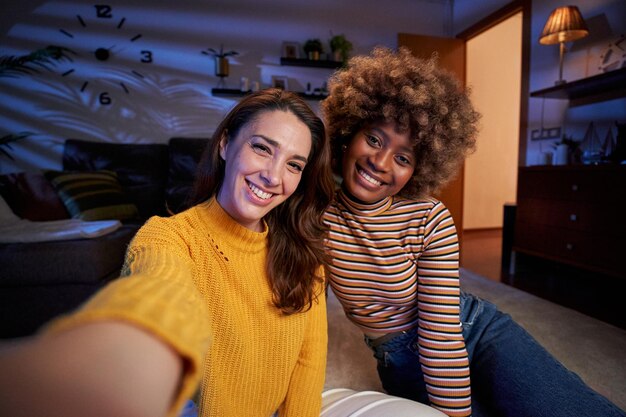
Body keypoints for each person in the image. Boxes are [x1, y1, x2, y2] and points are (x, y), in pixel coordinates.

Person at [320, 47, 626, 417]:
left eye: (403, 157)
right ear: (349, 132)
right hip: (399, 360)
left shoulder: (429, 217)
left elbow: (441, 334)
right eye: (374, 139)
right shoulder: (316, 217)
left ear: (419, 168)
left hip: (473, 331)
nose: (380, 163)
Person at [0, 88, 335, 417]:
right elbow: (159, 299)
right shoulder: (168, 237)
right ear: (225, 144)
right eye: (262, 148)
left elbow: (308, 364)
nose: (274, 176)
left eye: (294, 165)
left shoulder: (303, 253)